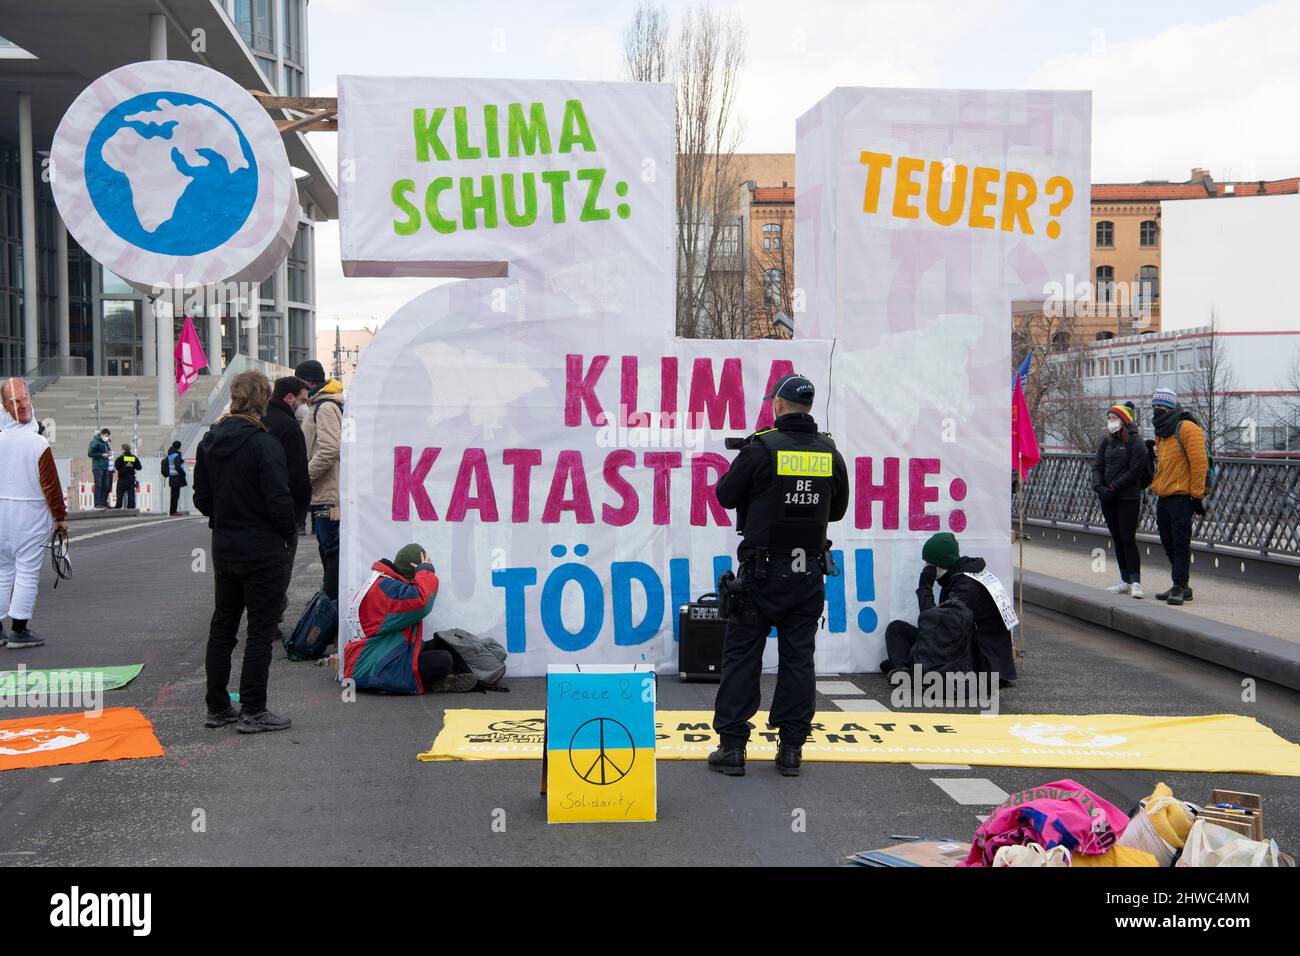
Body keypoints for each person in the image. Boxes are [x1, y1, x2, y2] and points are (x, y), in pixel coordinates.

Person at [708, 373, 850, 778]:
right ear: (808, 407)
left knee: (742, 658)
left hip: (760, 574)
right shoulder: (829, 452)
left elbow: (724, 495)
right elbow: (836, 511)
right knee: (798, 660)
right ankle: (791, 750)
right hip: (808, 574)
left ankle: (733, 749)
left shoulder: (761, 448)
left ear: (779, 405)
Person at [193, 371, 296, 734]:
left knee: (223, 627)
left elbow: (201, 499)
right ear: (264, 399)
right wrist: (286, 534)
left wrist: (225, 516)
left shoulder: (209, 442)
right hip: (262, 547)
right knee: (260, 629)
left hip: (225, 546)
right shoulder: (265, 444)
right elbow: (279, 501)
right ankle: (253, 708)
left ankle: (218, 706)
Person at [342, 543, 477, 695]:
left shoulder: (382, 583)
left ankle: (456, 678)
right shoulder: (388, 590)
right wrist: (425, 572)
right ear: (412, 572)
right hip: (370, 669)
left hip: (371, 657)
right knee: (443, 660)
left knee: (443, 643)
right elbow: (422, 602)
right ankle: (435, 683)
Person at [0, 378, 68, 649]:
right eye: (18, 400)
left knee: (3, 571)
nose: (24, 404)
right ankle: (19, 628)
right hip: (29, 516)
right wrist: (60, 518)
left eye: (24, 398)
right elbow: (51, 486)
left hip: (2, 515)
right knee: (26, 571)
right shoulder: (38, 443)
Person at [915, 532, 1018, 687]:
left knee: (921, 645)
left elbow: (935, 625)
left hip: (982, 662)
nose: (926, 568)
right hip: (971, 644)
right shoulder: (961, 576)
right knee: (896, 630)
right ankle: (905, 669)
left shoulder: (967, 588)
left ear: (940, 564)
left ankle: (914, 672)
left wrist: (925, 587)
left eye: (929, 565)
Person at [1149, 388, 1208, 606]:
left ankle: (1179, 585)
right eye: (1154, 407)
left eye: (1161, 407)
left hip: (1182, 497)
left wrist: (1196, 496)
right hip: (1164, 496)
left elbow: (1199, 463)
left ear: (1171, 407)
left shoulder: (1187, 428)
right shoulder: (1162, 432)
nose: (1157, 411)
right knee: (1168, 541)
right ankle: (1182, 584)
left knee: (1181, 543)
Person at [262, 376, 311, 622]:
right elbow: (299, 475)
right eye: (303, 399)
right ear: (289, 397)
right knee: (281, 569)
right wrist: (300, 512)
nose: (305, 404)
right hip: (285, 510)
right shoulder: (289, 426)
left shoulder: (259, 420)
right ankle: (271, 620)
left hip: (256, 512)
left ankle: (262, 617)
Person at [296, 359, 345, 601]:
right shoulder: (322, 404)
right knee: (328, 549)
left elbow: (329, 449)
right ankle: (332, 606)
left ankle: (332, 608)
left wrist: (304, 476)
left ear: (308, 381)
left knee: (331, 550)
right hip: (327, 491)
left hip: (329, 493)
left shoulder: (324, 407)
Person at [1092, 402, 1147, 599]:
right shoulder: (1106, 442)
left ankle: (1136, 581)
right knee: (1116, 538)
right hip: (1108, 498)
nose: (1110, 422)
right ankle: (1125, 579)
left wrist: (1114, 488)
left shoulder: (1135, 442)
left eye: (1113, 418)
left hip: (1127, 497)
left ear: (1123, 421)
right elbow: (1097, 466)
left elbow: (1135, 470)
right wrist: (1100, 487)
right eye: (1108, 418)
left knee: (1127, 538)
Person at [88, 427, 113, 509]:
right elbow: (90, 453)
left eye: (108, 436)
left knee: (105, 485)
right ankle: (97, 503)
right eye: (106, 435)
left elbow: (108, 450)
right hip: (98, 467)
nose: (107, 437)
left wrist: (109, 452)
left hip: (105, 467)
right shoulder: (95, 442)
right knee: (98, 485)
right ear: (101, 434)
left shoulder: (105, 443)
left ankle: (103, 502)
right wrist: (101, 455)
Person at [113, 443, 142, 509]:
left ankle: (118, 506)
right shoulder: (134, 458)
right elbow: (139, 467)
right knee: (131, 494)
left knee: (120, 493)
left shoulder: (120, 458)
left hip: (122, 479)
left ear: (123, 450)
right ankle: (131, 507)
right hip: (131, 479)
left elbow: (117, 467)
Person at [165, 441, 187, 516]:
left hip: (171, 477)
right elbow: (177, 466)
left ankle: (172, 510)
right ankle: (173, 511)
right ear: (178, 447)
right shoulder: (176, 455)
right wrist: (183, 473)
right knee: (176, 495)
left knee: (173, 495)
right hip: (176, 477)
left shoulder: (170, 455)